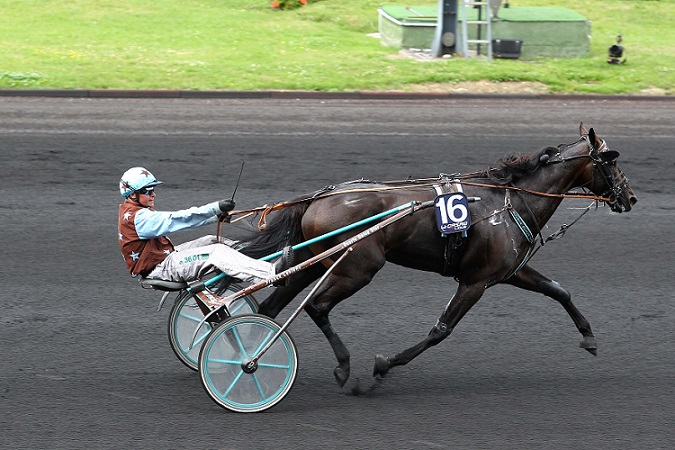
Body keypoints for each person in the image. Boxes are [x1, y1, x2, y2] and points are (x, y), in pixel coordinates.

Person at [117, 166, 287, 286]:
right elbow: (178, 220)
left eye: (153, 189)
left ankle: (256, 256)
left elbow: (183, 221)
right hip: (161, 268)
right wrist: (213, 208)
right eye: (148, 191)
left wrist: (214, 218)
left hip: (165, 258)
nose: (153, 194)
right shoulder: (139, 217)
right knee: (217, 252)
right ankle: (271, 274)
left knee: (211, 241)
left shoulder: (135, 211)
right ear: (132, 194)